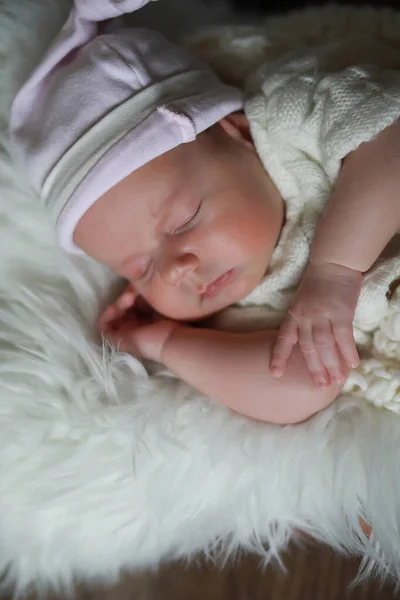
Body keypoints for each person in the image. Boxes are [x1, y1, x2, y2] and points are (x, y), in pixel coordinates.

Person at [9, 0, 400, 423]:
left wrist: (335, 270)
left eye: (184, 220)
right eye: (140, 269)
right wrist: (164, 342)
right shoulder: (235, 315)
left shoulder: (292, 121)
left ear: (236, 131)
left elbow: (388, 136)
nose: (177, 269)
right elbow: (303, 385)